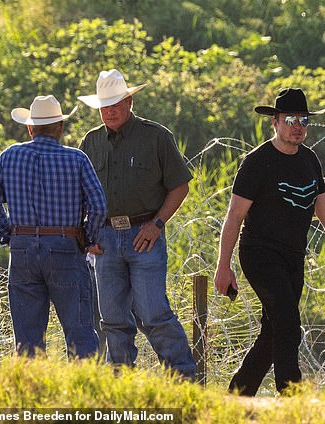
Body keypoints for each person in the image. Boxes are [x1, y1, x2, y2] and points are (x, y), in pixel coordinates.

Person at [213, 88, 325, 396]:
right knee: (288, 321)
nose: (297, 126)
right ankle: (291, 397)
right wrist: (223, 266)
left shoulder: (309, 161)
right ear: (275, 121)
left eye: (303, 121)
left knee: (273, 332)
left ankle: (237, 396)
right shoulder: (256, 162)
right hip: (259, 255)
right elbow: (234, 217)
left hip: (292, 257)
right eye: (290, 120)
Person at [78, 69, 195, 378]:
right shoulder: (90, 142)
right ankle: (121, 381)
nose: (110, 110)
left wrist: (157, 224)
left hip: (145, 235)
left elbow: (180, 185)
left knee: (153, 312)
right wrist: (86, 235)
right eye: (104, 105)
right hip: (104, 237)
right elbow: (76, 193)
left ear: (129, 101)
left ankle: (182, 379)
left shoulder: (156, 136)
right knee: (113, 317)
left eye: (116, 103)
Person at [0, 95, 107, 358]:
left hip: (23, 249)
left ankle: (31, 392)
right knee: (80, 332)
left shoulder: (10, 156)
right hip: (65, 247)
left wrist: (10, 237)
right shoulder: (77, 159)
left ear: (30, 128)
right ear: (60, 127)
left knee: (27, 338)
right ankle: (85, 393)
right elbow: (98, 205)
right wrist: (86, 238)